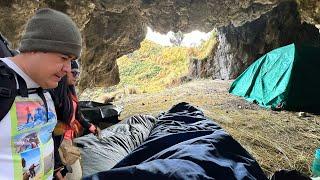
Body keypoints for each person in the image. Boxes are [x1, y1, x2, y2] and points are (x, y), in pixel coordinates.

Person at [0, 8, 82, 179]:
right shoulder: (3, 83)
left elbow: (45, 136)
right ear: (35, 48)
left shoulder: (49, 85)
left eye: (71, 61)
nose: (68, 69)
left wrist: (56, 167)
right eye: (63, 58)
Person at [51, 60, 100, 180]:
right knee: (74, 176)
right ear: (64, 72)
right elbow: (51, 133)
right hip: (58, 144)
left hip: (68, 139)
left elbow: (77, 114)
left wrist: (91, 127)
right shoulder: (54, 96)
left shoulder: (70, 92)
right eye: (74, 73)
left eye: (78, 73)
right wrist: (57, 165)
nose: (76, 77)